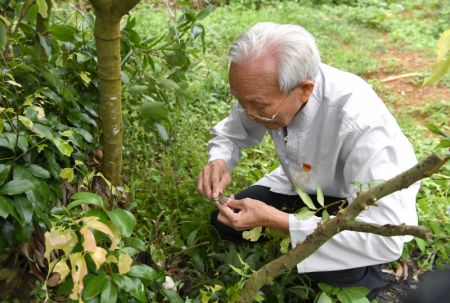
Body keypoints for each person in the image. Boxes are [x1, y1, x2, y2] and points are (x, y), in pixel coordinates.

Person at [197, 22, 419, 299]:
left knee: (333, 271)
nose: (247, 112)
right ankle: (304, 237)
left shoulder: (361, 124)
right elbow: (232, 133)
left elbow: (386, 235)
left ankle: (371, 278)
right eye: (242, 102)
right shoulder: (266, 90)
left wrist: (281, 222)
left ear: (304, 89)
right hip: (304, 183)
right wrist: (219, 161)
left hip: (357, 206)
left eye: (258, 106)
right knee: (224, 221)